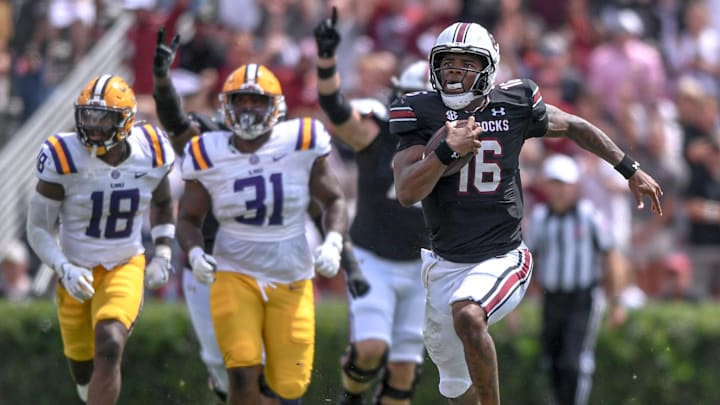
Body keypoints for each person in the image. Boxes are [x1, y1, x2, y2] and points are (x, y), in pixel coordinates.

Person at [390, 22, 663, 405]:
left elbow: (575, 126)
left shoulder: (514, 102)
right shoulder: (419, 110)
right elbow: (406, 191)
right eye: (447, 62)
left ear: (488, 68)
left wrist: (629, 169)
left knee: (468, 316)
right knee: (455, 388)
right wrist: (445, 153)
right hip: (443, 263)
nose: (454, 71)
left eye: (466, 63)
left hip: (502, 255)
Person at [152, 28, 367, 404]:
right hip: (228, 268)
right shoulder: (208, 145)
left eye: (257, 102)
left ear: (276, 107)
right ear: (225, 106)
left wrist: (336, 245)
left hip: (288, 271)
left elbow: (331, 199)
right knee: (237, 370)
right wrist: (196, 253)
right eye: (241, 102)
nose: (249, 111)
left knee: (288, 385)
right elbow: (186, 211)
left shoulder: (299, 140)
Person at [25, 74, 175, 404]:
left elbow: (163, 202)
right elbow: (37, 228)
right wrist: (63, 267)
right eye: (87, 116)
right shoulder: (63, 156)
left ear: (125, 122)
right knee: (82, 368)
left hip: (124, 263)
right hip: (74, 269)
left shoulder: (151, 150)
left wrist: (163, 252)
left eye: (102, 118)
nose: (92, 126)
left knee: (108, 343)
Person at [315, 9, 430, 404]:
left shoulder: (457, 143)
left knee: (403, 370)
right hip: (374, 257)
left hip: (422, 264)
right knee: (369, 349)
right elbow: (335, 110)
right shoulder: (377, 132)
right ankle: (352, 398)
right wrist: (327, 62)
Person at [526, 154, 627, 405]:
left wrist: (616, 300)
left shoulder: (589, 215)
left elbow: (611, 256)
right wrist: (517, 302)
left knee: (575, 361)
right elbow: (529, 260)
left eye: (564, 184)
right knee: (552, 360)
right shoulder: (540, 218)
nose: (559, 191)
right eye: (554, 184)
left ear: (574, 186)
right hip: (552, 297)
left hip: (582, 298)